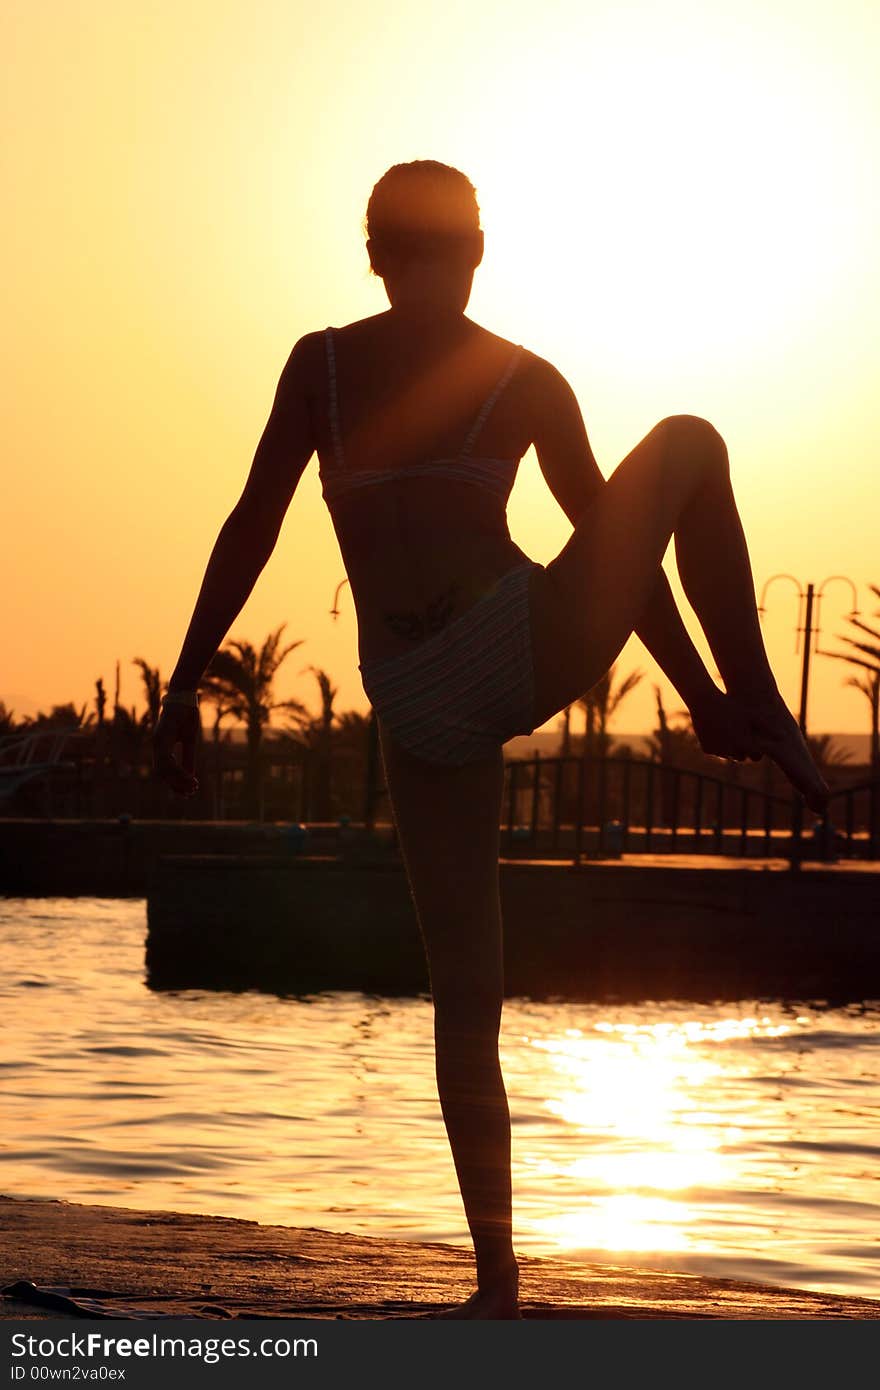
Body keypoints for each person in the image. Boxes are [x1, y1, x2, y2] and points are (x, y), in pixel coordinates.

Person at [153, 160, 829, 1319]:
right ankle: (755, 695)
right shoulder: (473, 375)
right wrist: (707, 695)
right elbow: (621, 562)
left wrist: (179, 685)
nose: (434, 270)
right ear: (459, 250)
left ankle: (496, 1282)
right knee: (686, 443)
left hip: (422, 688)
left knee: (468, 995)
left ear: (402, 253)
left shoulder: (341, 369)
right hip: (493, 662)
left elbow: (257, 524)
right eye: (436, 249)